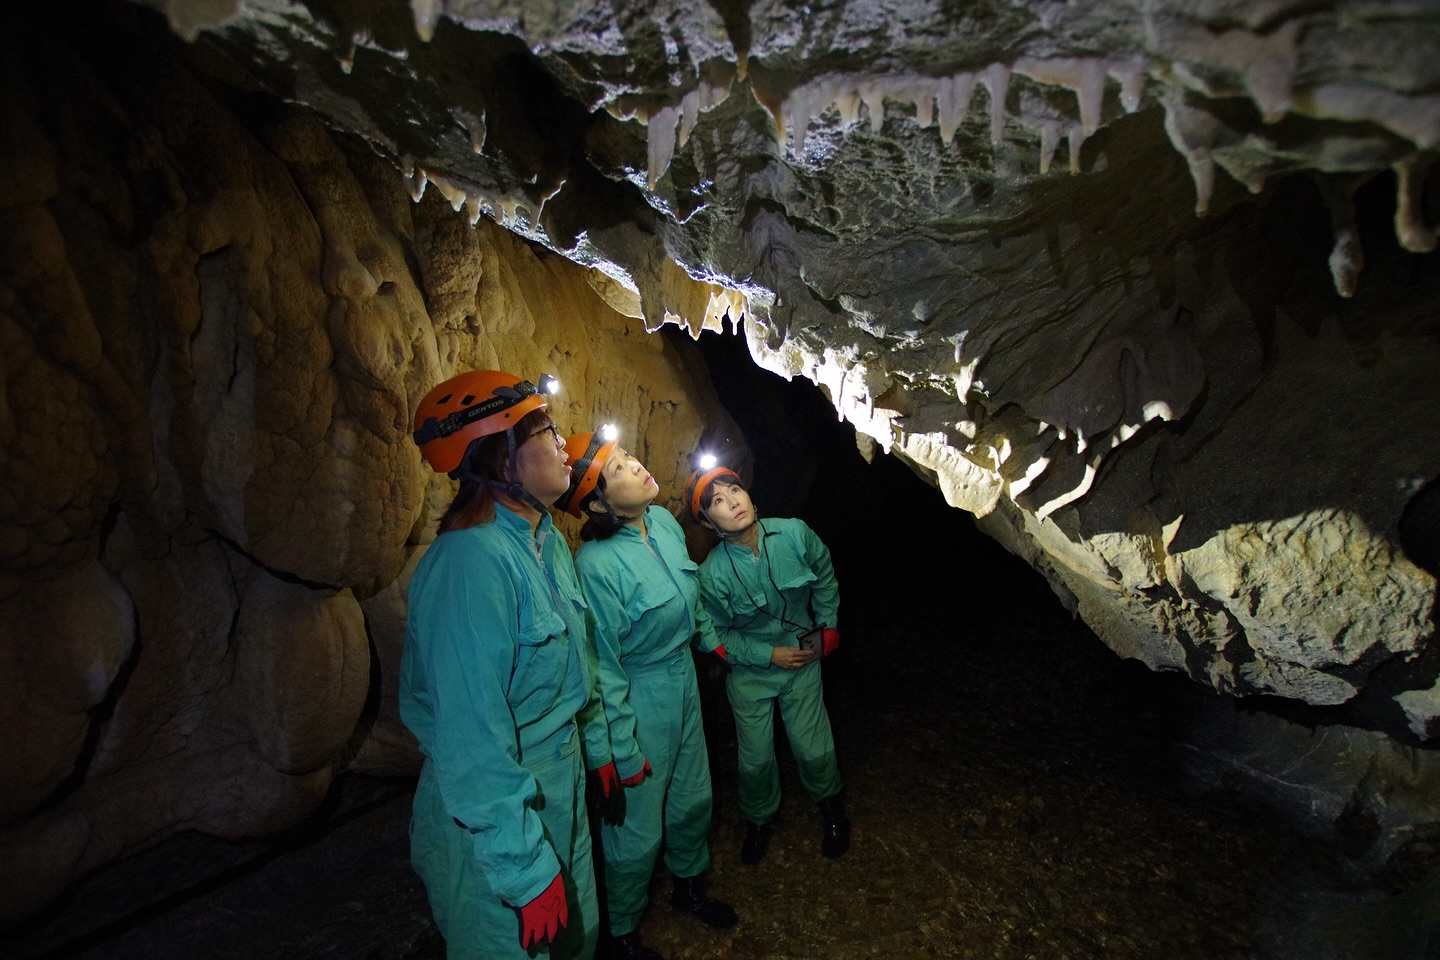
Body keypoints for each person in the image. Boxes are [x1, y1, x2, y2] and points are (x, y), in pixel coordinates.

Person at [400, 370, 616, 960]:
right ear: (504, 462)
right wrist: (521, 869)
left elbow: (578, 664)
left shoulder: (543, 539)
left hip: (557, 781)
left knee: (577, 941)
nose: (563, 443)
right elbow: (471, 738)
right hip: (498, 808)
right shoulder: (470, 565)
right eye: (546, 432)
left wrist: (595, 752)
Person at [556, 425, 738, 960]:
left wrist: (711, 642)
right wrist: (619, 749)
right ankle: (624, 931)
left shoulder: (661, 522)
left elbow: (689, 592)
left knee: (693, 796)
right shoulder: (595, 566)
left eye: (629, 456)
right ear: (596, 503)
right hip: (639, 693)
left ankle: (688, 888)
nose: (636, 466)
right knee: (635, 829)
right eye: (618, 470)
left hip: (681, 678)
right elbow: (602, 666)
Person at [685, 460, 850, 866]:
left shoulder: (794, 533)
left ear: (749, 494)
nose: (732, 503)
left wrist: (827, 626)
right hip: (751, 673)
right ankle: (759, 821)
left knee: (813, 745)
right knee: (755, 758)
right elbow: (716, 635)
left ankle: (831, 810)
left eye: (734, 491)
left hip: (802, 660)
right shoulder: (712, 575)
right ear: (709, 522)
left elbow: (825, 577)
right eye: (717, 501)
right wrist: (766, 654)